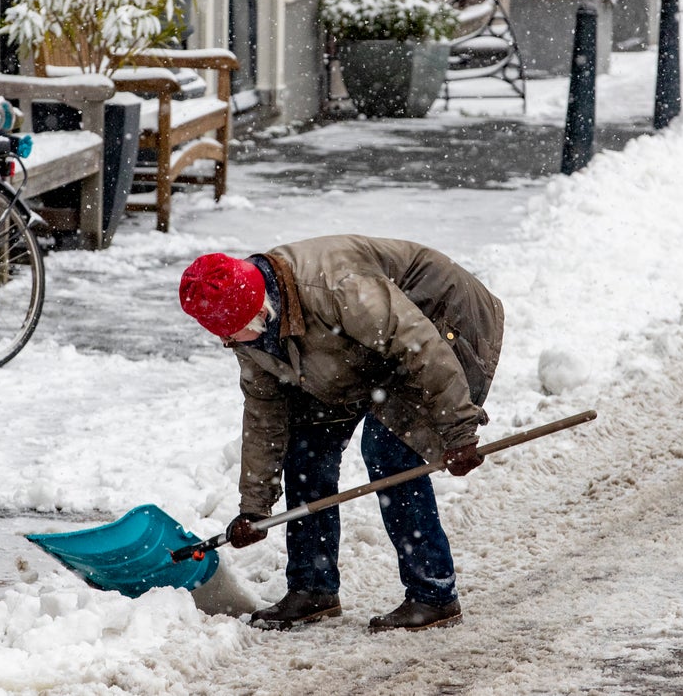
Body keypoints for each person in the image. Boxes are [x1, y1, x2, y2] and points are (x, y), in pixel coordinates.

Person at [178, 235, 504, 632]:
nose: (229, 343)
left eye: (234, 334)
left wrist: (460, 432)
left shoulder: (337, 286)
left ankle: (433, 593)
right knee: (307, 451)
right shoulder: (248, 329)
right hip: (356, 351)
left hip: (444, 323)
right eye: (224, 336)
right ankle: (312, 589)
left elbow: (419, 346)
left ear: (261, 312)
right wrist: (255, 508)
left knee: (388, 451)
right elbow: (265, 417)